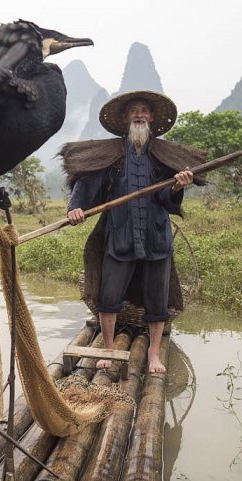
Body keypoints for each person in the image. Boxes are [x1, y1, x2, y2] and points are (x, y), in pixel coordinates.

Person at [63, 91, 205, 373]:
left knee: (157, 297)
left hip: (156, 237)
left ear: (151, 118)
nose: (139, 114)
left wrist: (176, 187)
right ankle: (107, 347)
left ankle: (153, 353)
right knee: (109, 294)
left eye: (144, 110)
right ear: (126, 118)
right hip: (120, 236)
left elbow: (167, 200)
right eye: (133, 110)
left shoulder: (163, 156)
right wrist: (76, 208)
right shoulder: (112, 155)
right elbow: (88, 182)